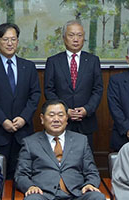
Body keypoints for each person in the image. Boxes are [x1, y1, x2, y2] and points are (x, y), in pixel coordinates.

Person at [15, 99, 107, 200]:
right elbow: (21, 174)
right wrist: (30, 187)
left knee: (97, 199)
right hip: (44, 199)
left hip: (75, 198)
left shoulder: (81, 140)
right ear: (42, 118)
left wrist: (89, 184)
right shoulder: (30, 143)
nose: (56, 119)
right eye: (51, 115)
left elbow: (92, 171)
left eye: (60, 115)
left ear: (67, 118)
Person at [0, 23, 41, 179]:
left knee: (24, 175)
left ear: (18, 41)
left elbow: (35, 95)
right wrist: (3, 120)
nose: (10, 43)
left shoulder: (29, 67)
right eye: (5, 39)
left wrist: (23, 118)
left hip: (23, 131)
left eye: (13, 39)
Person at [44, 20, 103, 150]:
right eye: (71, 35)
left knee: (85, 161)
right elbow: (49, 90)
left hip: (86, 121)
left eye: (79, 35)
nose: (75, 39)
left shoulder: (93, 61)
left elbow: (97, 89)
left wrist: (87, 109)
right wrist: (64, 111)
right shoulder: (53, 61)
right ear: (64, 38)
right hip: (60, 121)